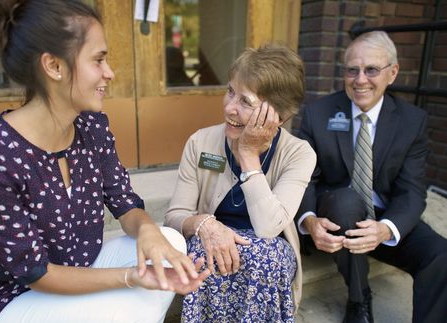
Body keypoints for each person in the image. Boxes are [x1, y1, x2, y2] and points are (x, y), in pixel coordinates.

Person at [0, 1, 210, 322]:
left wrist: (147, 230)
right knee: (125, 307)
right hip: (13, 297)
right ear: (54, 66)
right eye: (98, 59)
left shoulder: (91, 125)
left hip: (80, 266)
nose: (110, 73)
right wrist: (131, 276)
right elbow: (37, 273)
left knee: (168, 243)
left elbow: (124, 203)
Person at [296, 31, 447, 323]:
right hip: (337, 218)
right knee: (346, 201)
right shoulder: (318, 114)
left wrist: (387, 228)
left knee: (440, 254)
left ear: (392, 73)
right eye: (353, 70)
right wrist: (310, 220)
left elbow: (412, 191)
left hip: (384, 217)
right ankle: (359, 298)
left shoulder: (412, 121)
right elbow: (303, 180)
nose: (360, 79)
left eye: (371, 70)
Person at [164, 44, 317, 322]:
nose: (229, 108)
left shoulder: (300, 154)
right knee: (206, 252)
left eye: (245, 102)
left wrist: (248, 154)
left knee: (264, 258)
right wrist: (205, 224)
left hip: (269, 249)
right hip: (212, 241)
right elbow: (175, 216)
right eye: (230, 91)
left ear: (279, 116)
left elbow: (270, 227)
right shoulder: (201, 142)